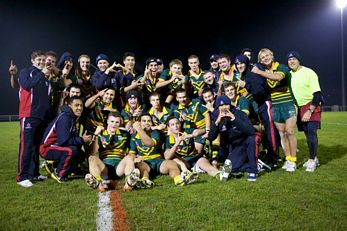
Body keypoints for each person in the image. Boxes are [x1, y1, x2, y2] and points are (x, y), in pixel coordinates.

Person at [252, 48, 298, 171]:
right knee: (282, 134)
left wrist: (259, 72)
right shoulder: (264, 71)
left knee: (290, 131)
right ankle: (288, 158)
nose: (265, 58)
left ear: (272, 56)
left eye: (267, 55)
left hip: (288, 104)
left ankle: (293, 160)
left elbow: (278, 77)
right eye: (262, 57)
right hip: (275, 105)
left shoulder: (281, 67)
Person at [16, 50, 52, 187]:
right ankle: (22, 176)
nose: (42, 62)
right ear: (32, 60)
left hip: (41, 117)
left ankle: (34, 173)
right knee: (26, 146)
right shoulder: (26, 72)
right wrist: (42, 73)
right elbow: (26, 85)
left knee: (36, 146)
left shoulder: (44, 77)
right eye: (39, 59)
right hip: (29, 115)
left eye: (44, 60)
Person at [129, 113, 195, 186]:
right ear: (140, 123)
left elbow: (150, 143)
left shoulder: (156, 133)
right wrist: (135, 158)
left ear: (152, 123)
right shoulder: (134, 137)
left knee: (171, 164)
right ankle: (145, 180)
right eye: (144, 121)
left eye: (149, 121)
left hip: (158, 161)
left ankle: (178, 179)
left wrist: (139, 129)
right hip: (145, 161)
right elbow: (132, 152)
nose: (146, 123)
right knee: (141, 165)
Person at [40, 96, 93, 183]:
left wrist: (83, 140)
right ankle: (59, 174)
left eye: (81, 106)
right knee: (71, 151)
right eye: (76, 105)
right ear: (69, 106)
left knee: (80, 154)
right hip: (47, 148)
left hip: (55, 146)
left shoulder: (71, 117)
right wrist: (82, 140)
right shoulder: (65, 118)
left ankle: (61, 167)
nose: (79, 108)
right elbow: (64, 142)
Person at [287, 51, 323, 172]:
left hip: (311, 104)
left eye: (294, 59)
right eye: (289, 60)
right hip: (298, 106)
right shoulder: (289, 75)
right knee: (307, 133)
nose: (291, 61)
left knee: (312, 132)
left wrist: (310, 110)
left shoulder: (309, 72)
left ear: (299, 60)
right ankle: (314, 157)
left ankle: (312, 160)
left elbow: (317, 94)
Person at [208, 96, 259, 181]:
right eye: (221, 105)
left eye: (226, 104)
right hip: (234, 148)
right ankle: (252, 164)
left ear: (230, 105)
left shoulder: (239, 113)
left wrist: (233, 118)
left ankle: (253, 170)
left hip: (245, 143)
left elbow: (251, 131)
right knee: (229, 169)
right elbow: (210, 137)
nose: (224, 107)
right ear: (218, 107)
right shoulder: (217, 116)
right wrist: (217, 122)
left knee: (251, 138)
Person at [85, 112, 140, 192]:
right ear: (107, 121)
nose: (114, 124)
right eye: (112, 121)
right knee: (92, 158)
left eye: (117, 122)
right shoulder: (100, 134)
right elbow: (93, 152)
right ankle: (99, 185)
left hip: (119, 167)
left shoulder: (125, 134)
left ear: (120, 123)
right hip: (105, 168)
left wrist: (136, 157)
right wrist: (95, 135)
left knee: (129, 157)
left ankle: (129, 183)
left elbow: (133, 150)